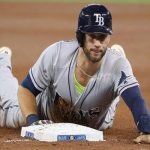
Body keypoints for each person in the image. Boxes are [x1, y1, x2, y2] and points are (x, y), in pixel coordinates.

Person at [0, 4, 150, 144]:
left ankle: (117, 79)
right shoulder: (57, 54)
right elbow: (26, 90)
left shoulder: (117, 65)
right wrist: (34, 122)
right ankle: (2, 62)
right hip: (46, 115)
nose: (98, 43)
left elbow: (135, 99)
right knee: (12, 113)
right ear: (81, 37)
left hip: (99, 120)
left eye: (102, 37)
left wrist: (146, 128)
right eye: (92, 36)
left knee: (116, 78)